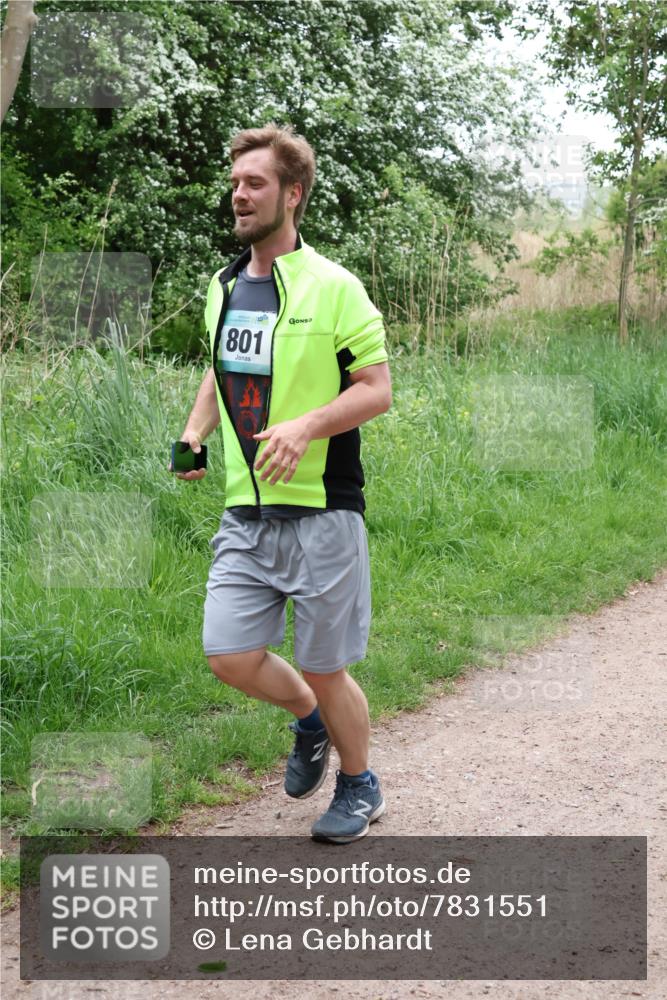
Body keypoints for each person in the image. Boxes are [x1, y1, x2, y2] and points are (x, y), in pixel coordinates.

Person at [172, 123, 392, 843]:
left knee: (326, 665)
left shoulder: (334, 286)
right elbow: (218, 366)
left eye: (255, 183)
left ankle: (359, 785)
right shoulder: (225, 285)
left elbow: (375, 389)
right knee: (228, 654)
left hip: (322, 509)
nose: (239, 195)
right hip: (246, 509)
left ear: (291, 195)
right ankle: (308, 724)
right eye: (235, 184)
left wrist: (306, 427)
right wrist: (194, 431)